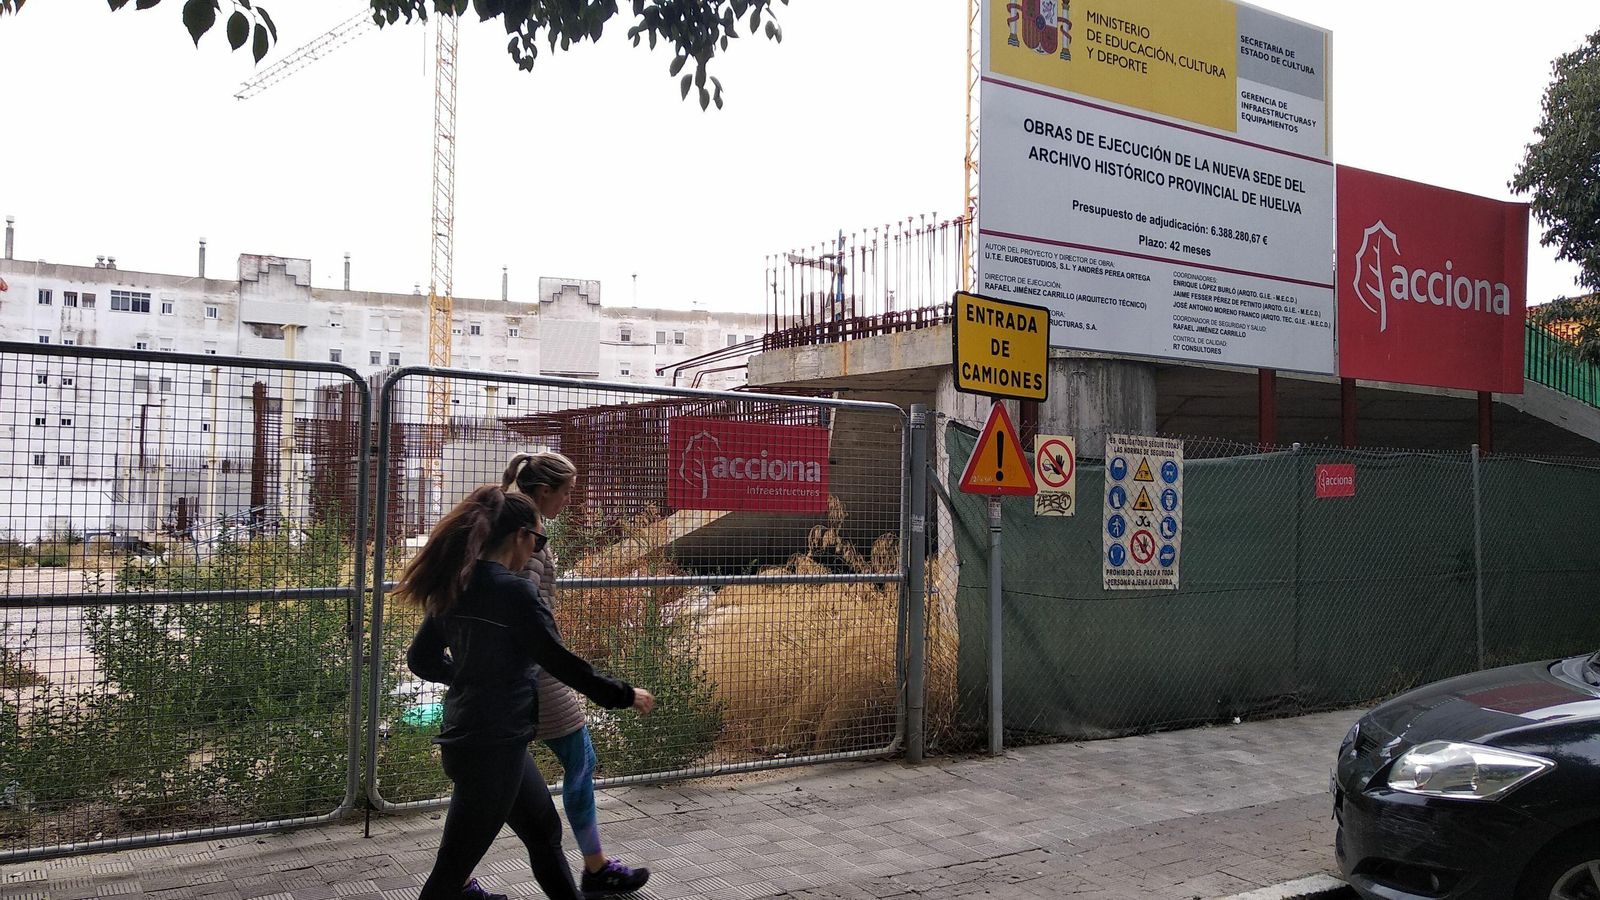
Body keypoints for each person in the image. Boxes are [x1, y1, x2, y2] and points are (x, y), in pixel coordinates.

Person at [398, 485, 655, 900]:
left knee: (543, 832)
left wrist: (471, 678)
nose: (537, 549)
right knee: (451, 871)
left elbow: (422, 659)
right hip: (491, 747)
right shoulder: (514, 592)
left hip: (483, 740)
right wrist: (623, 694)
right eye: (539, 539)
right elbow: (558, 660)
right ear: (520, 536)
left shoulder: (458, 583)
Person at [500, 452, 650, 897]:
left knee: (492, 783)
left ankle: (460, 878)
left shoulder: (521, 521)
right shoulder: (524, 531)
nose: (570, 500)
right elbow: (519, 607)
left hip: (530, 669)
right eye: (566, 491)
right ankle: (596, 867)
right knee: (578, 758)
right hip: (537, 670)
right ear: (544, 491)